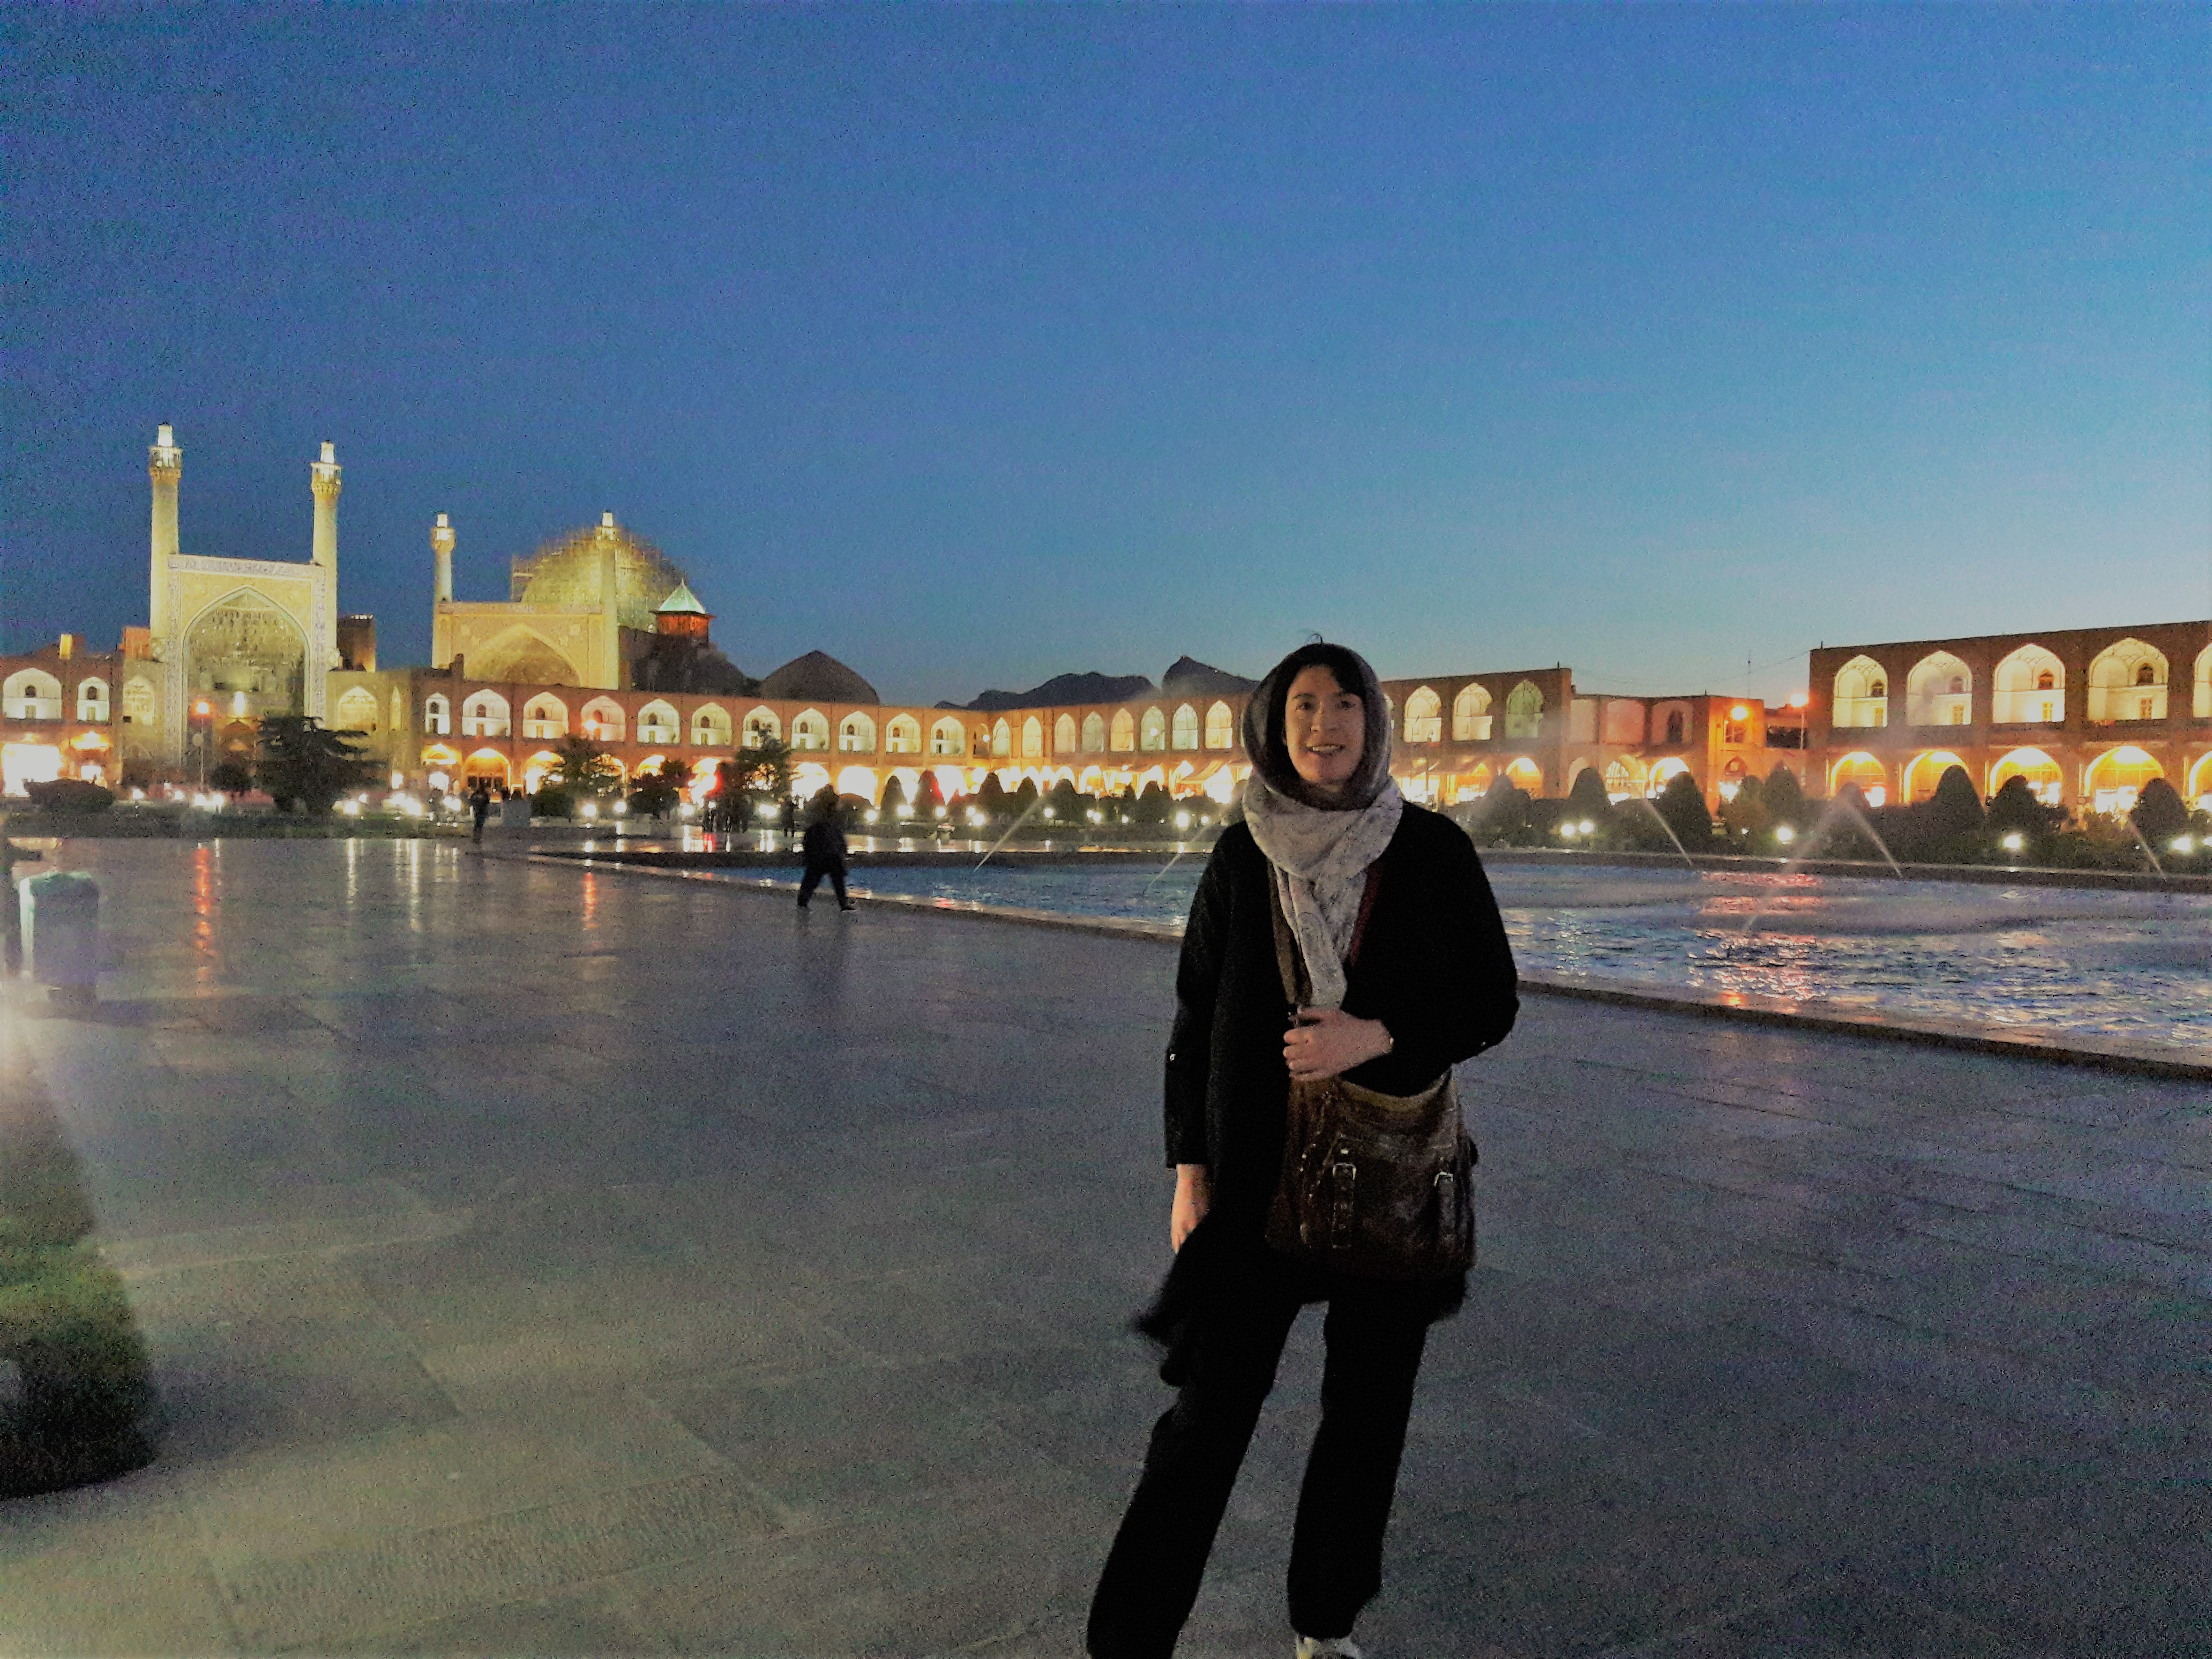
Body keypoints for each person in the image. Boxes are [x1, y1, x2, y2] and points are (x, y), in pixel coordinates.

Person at [1086, 642, 1519, 1659]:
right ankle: (1127, 1640)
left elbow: (1490, 1000)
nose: (1323, 726)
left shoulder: (1432, 850)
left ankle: (1322, 1626)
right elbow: (1193, 1017)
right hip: (1253, 1183)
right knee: (1206, 1422)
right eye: (1301, 707)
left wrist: (1374, 1037)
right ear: (1273, 728)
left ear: (1373, 721)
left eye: (1342, 706)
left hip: (1386, 1180)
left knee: (1363, 1421)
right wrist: (1187, 1168)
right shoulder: (1242, 853)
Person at [797, 788, 855, 911]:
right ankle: (842, 903)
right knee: (822, 876)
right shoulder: (823, 816)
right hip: (825, 848)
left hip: (825, 849)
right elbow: (835, 831)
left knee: (818, 876)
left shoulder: (823, 814)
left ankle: (804, 900)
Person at [467, 780, 492, 845]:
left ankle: (476, 837)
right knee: (480, 825)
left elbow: (472, 801)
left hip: (477, 810)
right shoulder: (485, 794)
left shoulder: (476, 794)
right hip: (482, 811)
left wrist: (474, 806)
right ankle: (478, 837)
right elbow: (487, 801)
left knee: (477, 824)